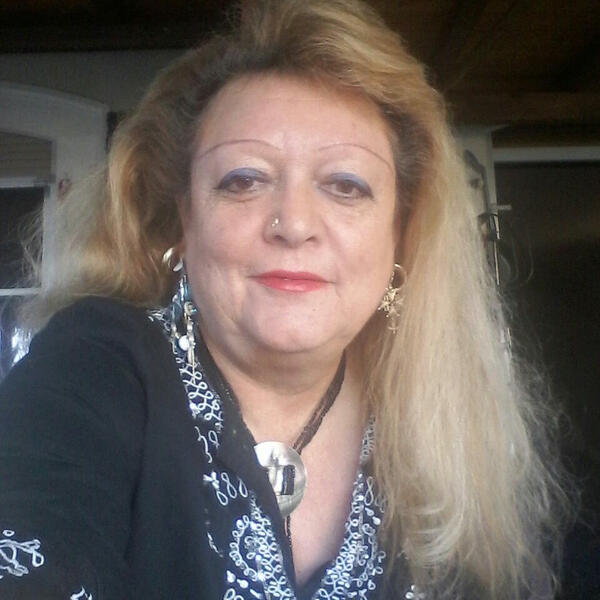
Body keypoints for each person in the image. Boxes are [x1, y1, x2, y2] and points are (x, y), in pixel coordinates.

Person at [0, 0, 570, 598]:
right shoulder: (95, 363)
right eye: (244, 180)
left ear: (401, 233)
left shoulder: (444, 411)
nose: (294, 224)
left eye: (345, 185)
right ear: (182, 222)